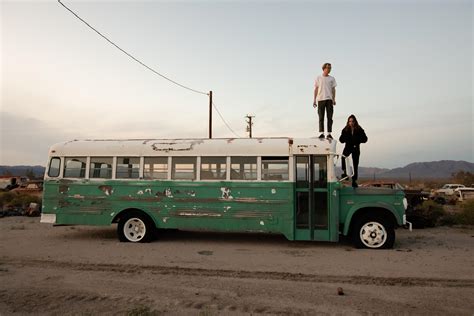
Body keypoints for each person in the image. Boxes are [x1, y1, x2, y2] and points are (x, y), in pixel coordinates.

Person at [339, 115, 368, 188]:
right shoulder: (345, 129)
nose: (351, 123)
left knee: (355, 164)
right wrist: (346, 139)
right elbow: (341, 139)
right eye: (349, 121)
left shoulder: (359, 129)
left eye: (352, 121)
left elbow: (365, 139)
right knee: (343, 157)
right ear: (348, 122)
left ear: (355, 122)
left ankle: (354, 181)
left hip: (355, 148)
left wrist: (357, 141)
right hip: (348, 147)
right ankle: (345, 173)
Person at [313, 63, 337, 140]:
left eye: (330, 68)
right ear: (324, 68)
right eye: (328, 68)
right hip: (320, 99)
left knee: (330, 117)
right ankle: (322, 133)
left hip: (329, 99)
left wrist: (334, 99)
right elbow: (316, 89)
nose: (329, 69)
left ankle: (329, 134)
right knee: (321, 117)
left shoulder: (332, 79)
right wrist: (314, 100)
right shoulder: (318, 78)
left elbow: (333, 89)